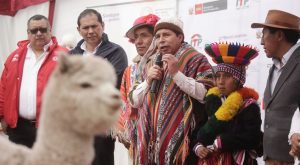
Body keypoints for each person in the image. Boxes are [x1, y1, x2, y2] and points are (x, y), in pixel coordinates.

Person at [129, 17, 214, 164]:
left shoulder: (196, 59)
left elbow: (206, 95)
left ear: (180, 37)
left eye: (166, 35)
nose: (161, 40)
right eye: (158, 36)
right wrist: (148, 81)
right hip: (149, 142)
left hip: (184, 144)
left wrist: (176, 74)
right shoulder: (149, 63)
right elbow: (134, 101)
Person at [69, 9, 128, 165]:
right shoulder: (71, 55)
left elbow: (111, 84)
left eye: (94, 26)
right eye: (85, 28)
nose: (90, 31)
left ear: (103, 25)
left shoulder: (116, 52)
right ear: (78, 30)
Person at [0, 14, 68, 148]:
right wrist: (2, 116)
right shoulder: (15, 56)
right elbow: (3, 88)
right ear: (28, 33)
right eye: (34, 30)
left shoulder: (65, 55)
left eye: (43, 30)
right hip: (19, 128)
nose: (38, 33)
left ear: (50, 30)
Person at [193, 42, 263, 165]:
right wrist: (198, 147)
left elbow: (253, 137)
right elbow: (198, 130)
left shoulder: (248, 105)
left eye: (227, 76)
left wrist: (223, 142)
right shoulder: (211, 100)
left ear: (238, 80)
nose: (220, 82)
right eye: (218, 77)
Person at [251, 9, 300, 165]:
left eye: (264, 34)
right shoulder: (275, 66)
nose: (261, 42)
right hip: (271, 156)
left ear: (279, 35)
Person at [116, 14, 160, 162]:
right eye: (136, 37)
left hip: (160, 138)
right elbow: (123, 102)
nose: (138, 42)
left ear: (156, 37)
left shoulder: (167, 64)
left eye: (144, 36)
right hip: (135, 141)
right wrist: (123, 131)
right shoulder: (130, 70)